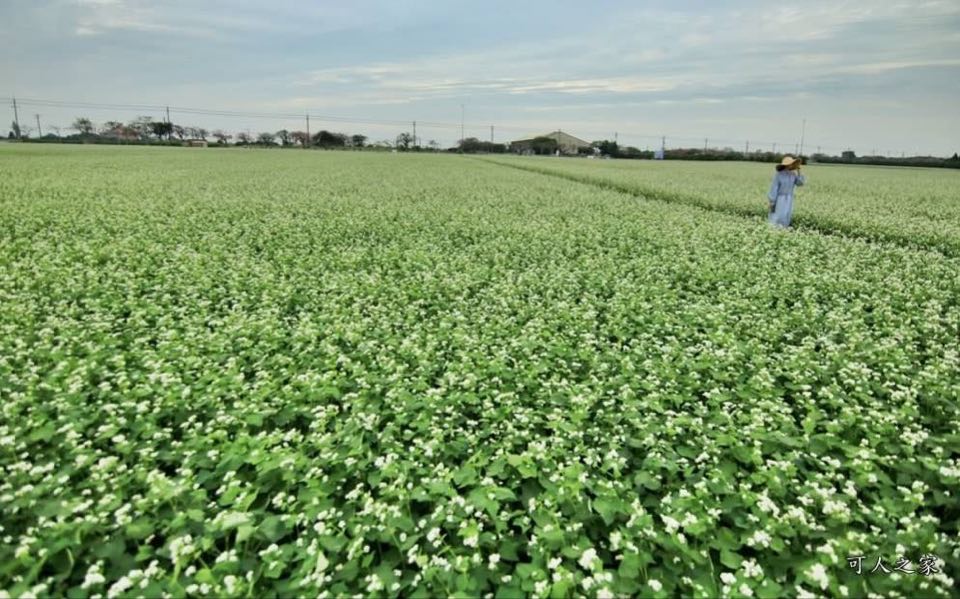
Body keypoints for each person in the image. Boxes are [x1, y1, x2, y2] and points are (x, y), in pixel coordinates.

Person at [767, 156, 805, 228]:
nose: (792, 165)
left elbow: (800, 183)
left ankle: (784, 229)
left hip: (789, 198)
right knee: (777, 214)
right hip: (779, 198)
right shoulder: (779, 174)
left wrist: (799, 171)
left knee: (786, 214)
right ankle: (773, 229)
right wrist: (772, 201)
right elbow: (774, 188)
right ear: (786, 165)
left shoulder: (793, 174)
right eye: (791, 163)